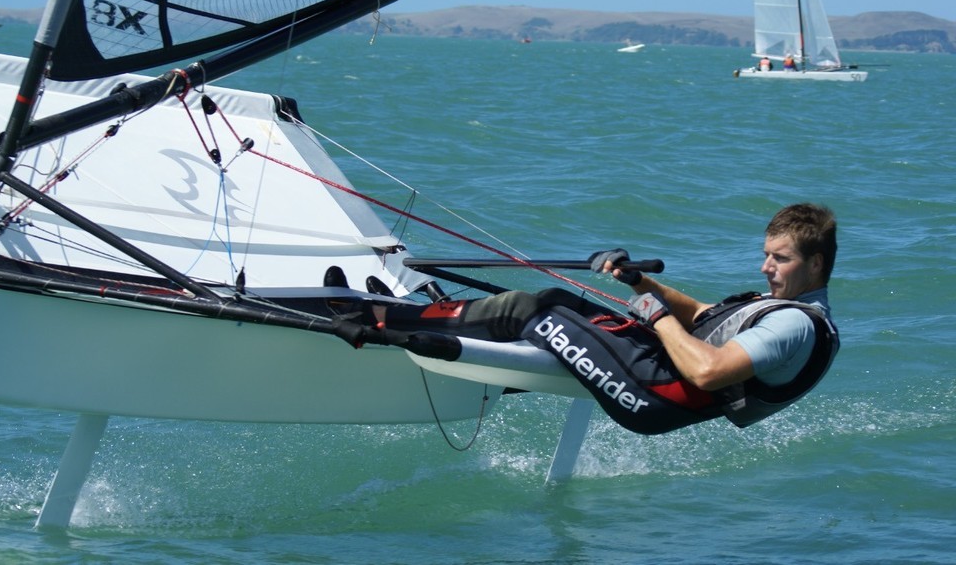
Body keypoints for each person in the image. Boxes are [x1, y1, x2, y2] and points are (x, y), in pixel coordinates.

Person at [337, 203, 839, 435]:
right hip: (658, 375)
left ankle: (382, 318)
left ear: (816, 264)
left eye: (781, 259)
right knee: (561, 299)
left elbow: (709, 370)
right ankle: (447, 338)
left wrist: (659, 317)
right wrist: (638, 282)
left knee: (529, 309)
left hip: (658, 397)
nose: (765, 267)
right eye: (766, 254)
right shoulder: (777, 308)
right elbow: (708, 318)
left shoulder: (793, 325)